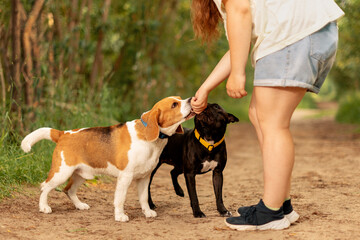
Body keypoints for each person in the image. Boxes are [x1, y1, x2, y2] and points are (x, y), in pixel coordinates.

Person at [190, 0, 344, 231]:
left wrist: (239, 74)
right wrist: (205, 88)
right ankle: (281, 205)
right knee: (258, 114)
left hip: (294, 36)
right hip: (310, 32)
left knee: (273, 123)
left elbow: (240, 8)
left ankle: (271, 212)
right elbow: (238, 46)